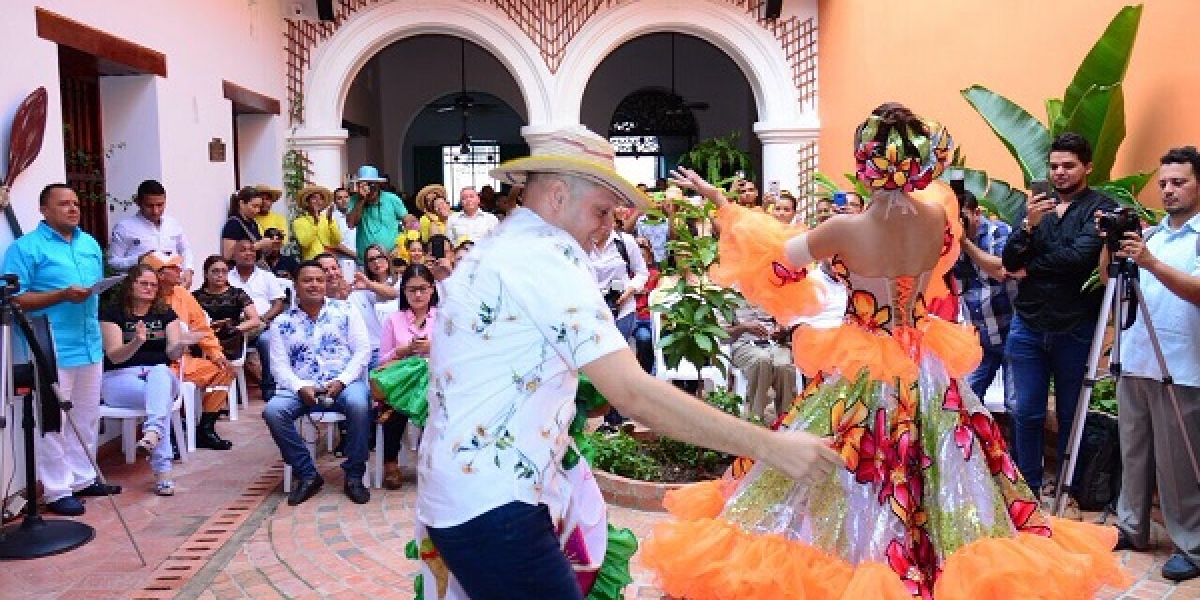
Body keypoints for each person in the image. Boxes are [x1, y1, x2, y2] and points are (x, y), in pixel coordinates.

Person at [642, 105, 1128, 599]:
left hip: (861, 359)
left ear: (865, 160)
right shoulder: (938, 216)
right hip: (926, 360)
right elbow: (938, 267)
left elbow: (777, 263)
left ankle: (859, 560)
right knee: (939, 464)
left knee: (846, 461)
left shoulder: (843, 229)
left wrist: (725, 206)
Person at [415, 126, 841, 600]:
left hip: (470, 497)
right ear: (557, 194)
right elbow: (632, 392)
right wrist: (772, 446)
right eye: (601, 211)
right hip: (494, 506)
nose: (608, 227)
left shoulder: (505, 244)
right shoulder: (546, 254)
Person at [1000, 132, 1117, 497]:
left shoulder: (1101, 208)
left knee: (1071, 414)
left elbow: (1078, 260)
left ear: (1087, 167)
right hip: (1029, 324)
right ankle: (1029, 488)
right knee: (1026, 412)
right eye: (1054, 166)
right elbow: (1009, 260)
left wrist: (1031, 266)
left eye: (1068, 165)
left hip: (1075, 326)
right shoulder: (1035, 207)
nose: (1060, 173)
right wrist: (1028, 227)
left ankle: (1068, 488)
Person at [1104, 146, 1200, 582]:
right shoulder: (1153, 236)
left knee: (1177, 462)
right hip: (1137, 357)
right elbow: (1111, 280)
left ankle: (1190, 545)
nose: (1168, 190)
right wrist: (1111, 245)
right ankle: (1130, 528)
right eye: (1163, 183)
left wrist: (1152, 263)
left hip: (1181, 365)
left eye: (1178, 182)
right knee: (1134, 452)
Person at [3, 184, 119, 516]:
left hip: (89, 345)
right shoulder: (25, 249)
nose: (73, 209)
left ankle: (84, 477)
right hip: (51, 349)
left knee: (85, 416)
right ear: (45, 210)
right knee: (53, 422)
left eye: (76, 203)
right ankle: (56, 489)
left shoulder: (89, 244)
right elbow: (13, 298)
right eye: (64, 204)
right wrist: (61, 295)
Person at [263, 260, 373, 506]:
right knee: (273, 411)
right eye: (307, 280)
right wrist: (300, 386)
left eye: (319, 280)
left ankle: (354, 475)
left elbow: (362, 351)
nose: (314, 285)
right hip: (300, 386)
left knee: (359, 403)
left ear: (326, 283)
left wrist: (342, 381)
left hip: (343, 382)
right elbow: (279, 366)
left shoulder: (345, 311)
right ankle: (307, 474)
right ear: (296, 285)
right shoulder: (282, 322)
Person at [100, 265, 196, 496]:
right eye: (144, 283)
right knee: (159, 401)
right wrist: (136, 342)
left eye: (153, 285)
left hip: (160, 376)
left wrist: (183, 344)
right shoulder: (112, 314)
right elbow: (114, 355)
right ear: (130, 285)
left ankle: (153, 432)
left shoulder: (165, 313)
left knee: (160, 373)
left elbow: (172, 353)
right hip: (119, 378)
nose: (149, 288)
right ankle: (163, 472)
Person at [141, 251, 236, 450]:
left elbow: (201, 328)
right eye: (173, 268)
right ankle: (170, 436)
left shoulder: (182, 294)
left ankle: (205, 430)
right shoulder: (145, 297)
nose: (179, 270)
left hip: (184, 361)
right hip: (156, 365)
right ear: (160, 274)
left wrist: (217, 354)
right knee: (163, 385)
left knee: (224, 371)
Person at [370, 264, 438, 489]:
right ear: (404, 292)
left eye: (423, 289)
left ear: (432, 289)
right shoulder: (394, 319)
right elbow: (382, 361)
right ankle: (391, 463)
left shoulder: (444, 317)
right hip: (402, 382)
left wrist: (433, 346)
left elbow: (458, 353)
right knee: (396, 402)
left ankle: (429, 462)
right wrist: (402, 351)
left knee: (432, 399)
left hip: (433, 380)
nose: (418, 295)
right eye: (411, 290)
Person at [954, 189, 1018, 402]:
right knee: (966, 400)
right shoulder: (948, 241)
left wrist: (965, 243)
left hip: (1010, 331)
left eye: (962, 216)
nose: (958, 223)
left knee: (1016, 405)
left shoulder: (998, 232)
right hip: (979, 337)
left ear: (977, 213)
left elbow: (1003, 271)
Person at [108, 179, 196, 288]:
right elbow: (113, 262)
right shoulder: (124, 227)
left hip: (172, 287)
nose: (155, 211)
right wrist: (138, 260)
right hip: (142, 290)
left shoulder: (172, 224)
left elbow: (185, 249)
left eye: (160, 205)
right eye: (149, 206)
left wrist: (188, 270)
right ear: (138, 203)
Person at [193, 254, 263, 361]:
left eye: (224, 271)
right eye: (215, 271)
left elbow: (255, 320)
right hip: (204, 340)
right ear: (206, 274)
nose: (220, 275)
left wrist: (234, 329)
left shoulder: (237, 293)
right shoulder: (195, 296)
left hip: (230, 340)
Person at [346, 165, 408, 260]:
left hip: (391, 258)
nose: (369, 189)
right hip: (365, 261)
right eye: (365, 185)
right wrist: (361, 199)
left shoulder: (392, 199)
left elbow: (409, 222)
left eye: (372, 184)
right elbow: (351, 224)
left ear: (378, 184)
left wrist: (400, 245)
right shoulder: (354, 200)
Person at [221, 186, 277, 259]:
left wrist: (268, 245)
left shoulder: (253, 223)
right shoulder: (233, 224)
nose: (257, 210)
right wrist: (258, 245)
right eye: (254, 206)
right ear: (241, 204)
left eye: (259, 207)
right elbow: (228, 255)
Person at [292, 185, 342, 260]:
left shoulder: (328, 219)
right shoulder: (299, 221)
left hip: (329, 261)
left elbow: (337, 241)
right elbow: (304, 243)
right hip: (312, 263)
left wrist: (330, 222)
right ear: (307, 202)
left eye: (321, 198)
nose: (318, 201)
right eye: (314, 198)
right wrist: (315, 223)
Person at [328, 187, 359, 261]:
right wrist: (355, 255)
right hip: (343, 260)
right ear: (335, 201)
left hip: (360, 260)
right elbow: (335, 244)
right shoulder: (332, 219)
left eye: (346, 197)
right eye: (339, 198)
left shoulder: (356, 214)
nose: (344, 200)